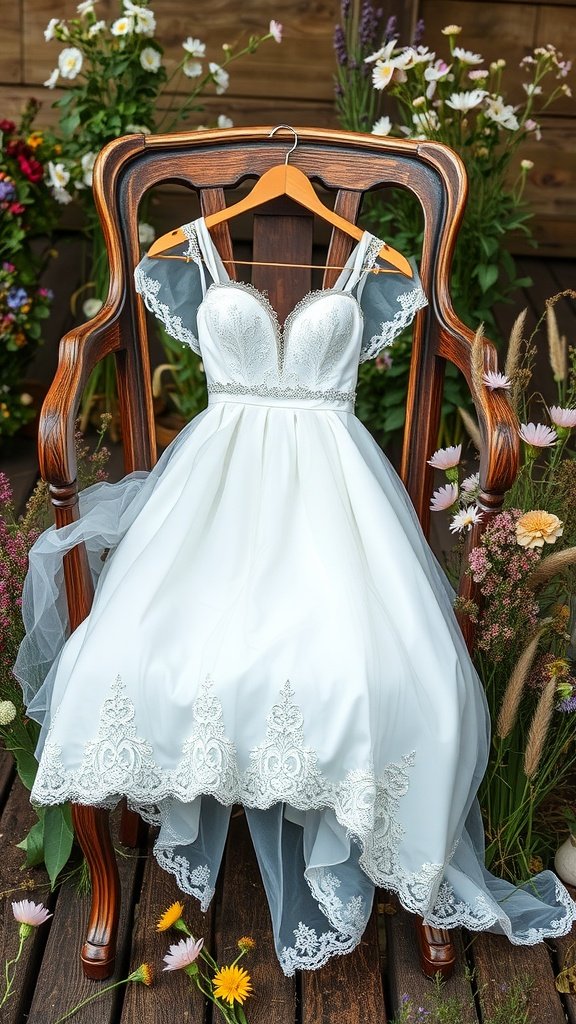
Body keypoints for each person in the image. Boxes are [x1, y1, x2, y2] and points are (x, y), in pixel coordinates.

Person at [15, 217, 576, 975]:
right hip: (213, 502)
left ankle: (406, 856)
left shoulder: (380, 270)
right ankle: (118, 889)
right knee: (134, 641)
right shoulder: (188, 252)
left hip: (336, 507)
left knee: (397, 661)